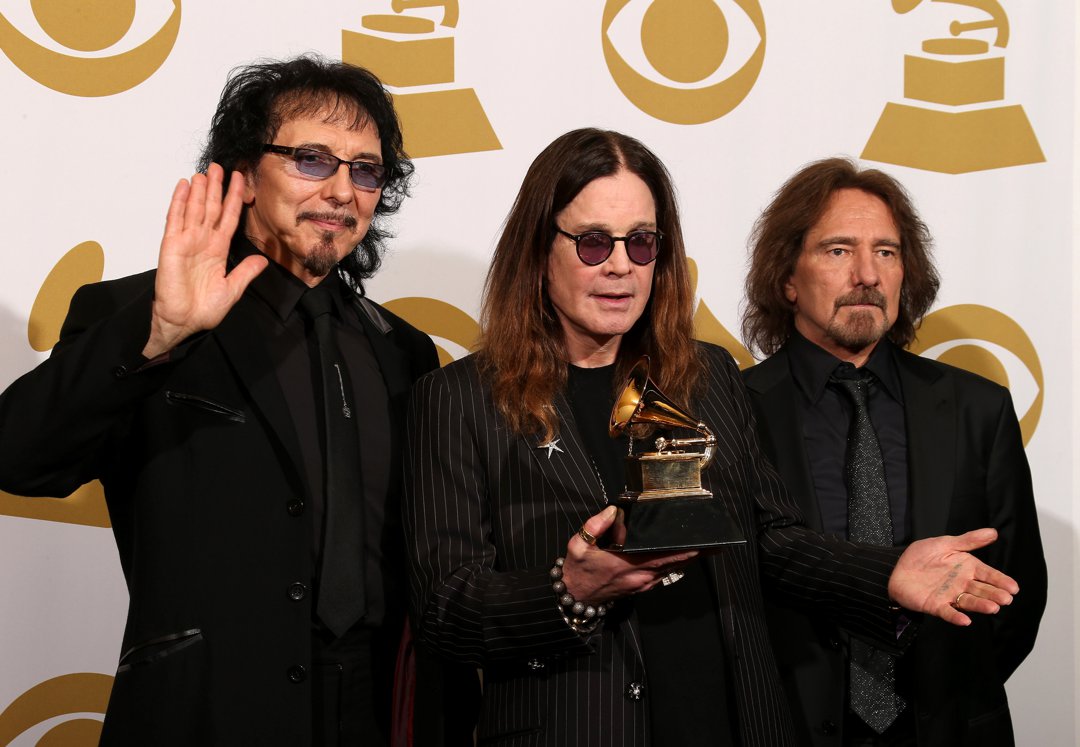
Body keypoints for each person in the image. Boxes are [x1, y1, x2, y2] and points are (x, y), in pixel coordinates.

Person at [401, 129, 1021, 747]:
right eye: (593, 243)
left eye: (641, 243)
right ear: (540, 250)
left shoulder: (709, 375)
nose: (621, 265)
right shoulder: (459, 399)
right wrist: (572, 590)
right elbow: (444, 611)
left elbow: (771, 539)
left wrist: (884, 572)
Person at [0, 55, 472, 746]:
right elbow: (19, 457)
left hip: (378, 716)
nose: (343, 190)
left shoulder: (405, 349)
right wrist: (158, 333)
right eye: (312, 159)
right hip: (207, 714)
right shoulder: (139, 315)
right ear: (244, 175)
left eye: (365, 170)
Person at [741, 157, 1046, 746]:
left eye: (886, 252)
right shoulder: (735, 410)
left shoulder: (976, 409)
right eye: (837, 251)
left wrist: (943, 703)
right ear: (786, 277)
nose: (866, 275)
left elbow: (1016, 594)